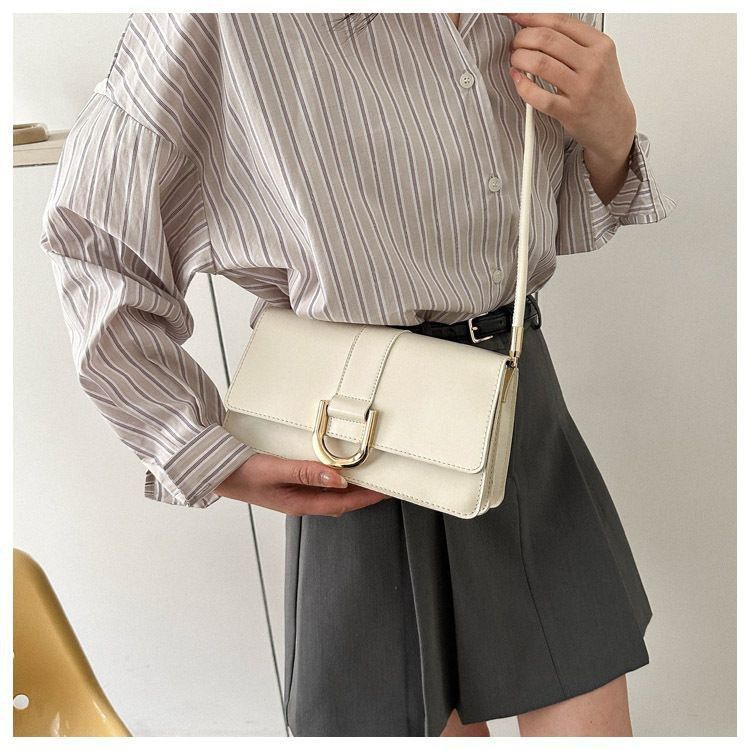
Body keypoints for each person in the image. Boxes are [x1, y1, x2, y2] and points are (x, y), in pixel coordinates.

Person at [39, 12, 676, 737]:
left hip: (517, 401)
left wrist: (611, 134)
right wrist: (195, 448)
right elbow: (95, 239)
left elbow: (547, 210)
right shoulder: (217, 21)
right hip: (355, 429)